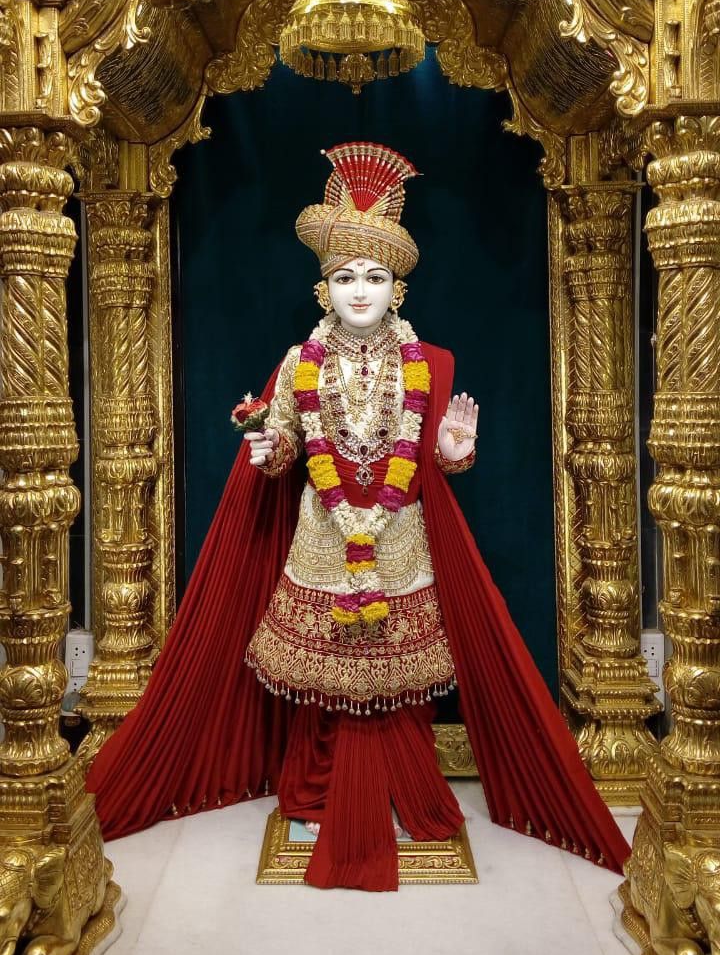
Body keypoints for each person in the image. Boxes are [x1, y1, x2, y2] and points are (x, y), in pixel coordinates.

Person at [87, 141, 630, 892]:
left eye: (375, 277)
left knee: (398, 678)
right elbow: (282, 444)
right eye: (345, 277)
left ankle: (400, 790)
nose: (361, 290)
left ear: (398, 288)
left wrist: (453, 449)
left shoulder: (430, 364)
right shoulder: (298, 361)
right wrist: (268, 447)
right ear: (323, 289)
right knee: (325, 679)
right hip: (322, 534)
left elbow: (439, 460)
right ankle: (314, 794)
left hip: (401, 535)